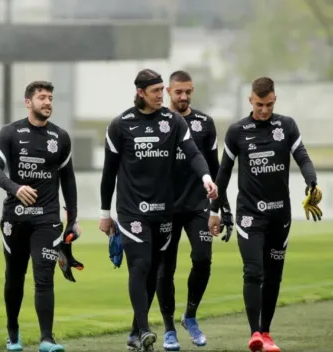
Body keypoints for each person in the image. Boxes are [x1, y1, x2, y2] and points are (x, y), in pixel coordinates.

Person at [99, 69, 218, 352]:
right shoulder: (121, 124)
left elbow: (193, 152)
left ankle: (133, 332)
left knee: (153, 270)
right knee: (140, 266)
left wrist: (205, 177)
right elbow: (108, 173)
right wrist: (105, 214)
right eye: (155, 91)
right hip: (132, 210)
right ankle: (143, 331)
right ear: (141, 92)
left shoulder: (173, 121)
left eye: (161, 90)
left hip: (164, 211)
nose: (160, 96)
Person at [208, 77, 322, 352]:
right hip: (249, 214)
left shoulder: (287, 126)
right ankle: (255, 333)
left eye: (269, 104)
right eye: (259, 104)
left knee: (274, 275)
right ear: (251, 101)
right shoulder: (237, 132)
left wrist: (312, 182)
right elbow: (222, 174)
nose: (264, 110)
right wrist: (214, 210)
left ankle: (267, 333)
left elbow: (303, 158)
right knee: (253, 271)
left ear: (275, 99)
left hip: (280, 215)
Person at [0, 80, 82, 352]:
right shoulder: (10, 133)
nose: (48, 102)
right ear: (28, 102)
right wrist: (15, 188)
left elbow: (69, 180)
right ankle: (13, 332)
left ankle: (46, 339)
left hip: (47, 219)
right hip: (14, 218)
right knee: (14, 277)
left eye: (50, 97)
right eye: (42, 97)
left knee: (44, 276)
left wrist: (72, 218)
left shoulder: (60, 137)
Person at [154, 70, 234, 351]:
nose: (184, 96)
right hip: (164, 208)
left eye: (188, 91)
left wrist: (223, 208)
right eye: (178, 92)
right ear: (168, 92)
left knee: (202, 259)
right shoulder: (157, 123)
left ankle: (190, 316)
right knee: (165, 268)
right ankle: (168, 329)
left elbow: (215, 169)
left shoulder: (204, 123)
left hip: (198, 205)